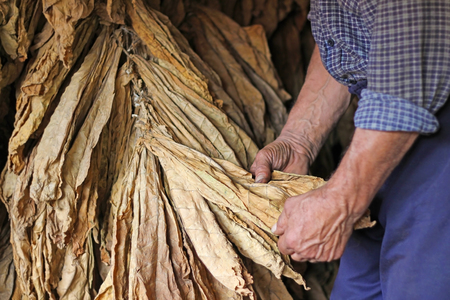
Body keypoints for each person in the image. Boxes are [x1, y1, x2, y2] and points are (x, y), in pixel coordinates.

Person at [250, 0, 450, 299]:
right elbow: (346, 38)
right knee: (355, 289)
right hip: (380, 130)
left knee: (419, 287)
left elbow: (407, 78)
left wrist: (341, 203)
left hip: (427, 121)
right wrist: (299, 140)